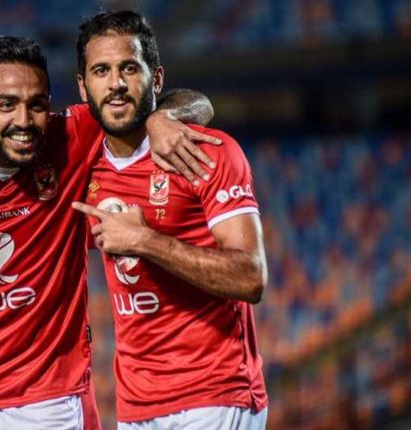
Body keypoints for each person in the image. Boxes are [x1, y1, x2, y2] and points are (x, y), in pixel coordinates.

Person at [0, 36, 216, 429]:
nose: (24, 121)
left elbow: (199, 103)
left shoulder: (72, 134)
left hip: (46, 399)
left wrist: (162, 118)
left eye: (37, 105)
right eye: (7, 105)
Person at [72, 11, 269, 429]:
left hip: (216, 394)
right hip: (136, 407)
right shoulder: (81, 164)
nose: (116, 83)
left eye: (129, 68)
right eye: (101, 71)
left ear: (156, 79)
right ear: (83, 86)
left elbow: (251, 278)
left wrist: (145, 241)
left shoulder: (205, 151)